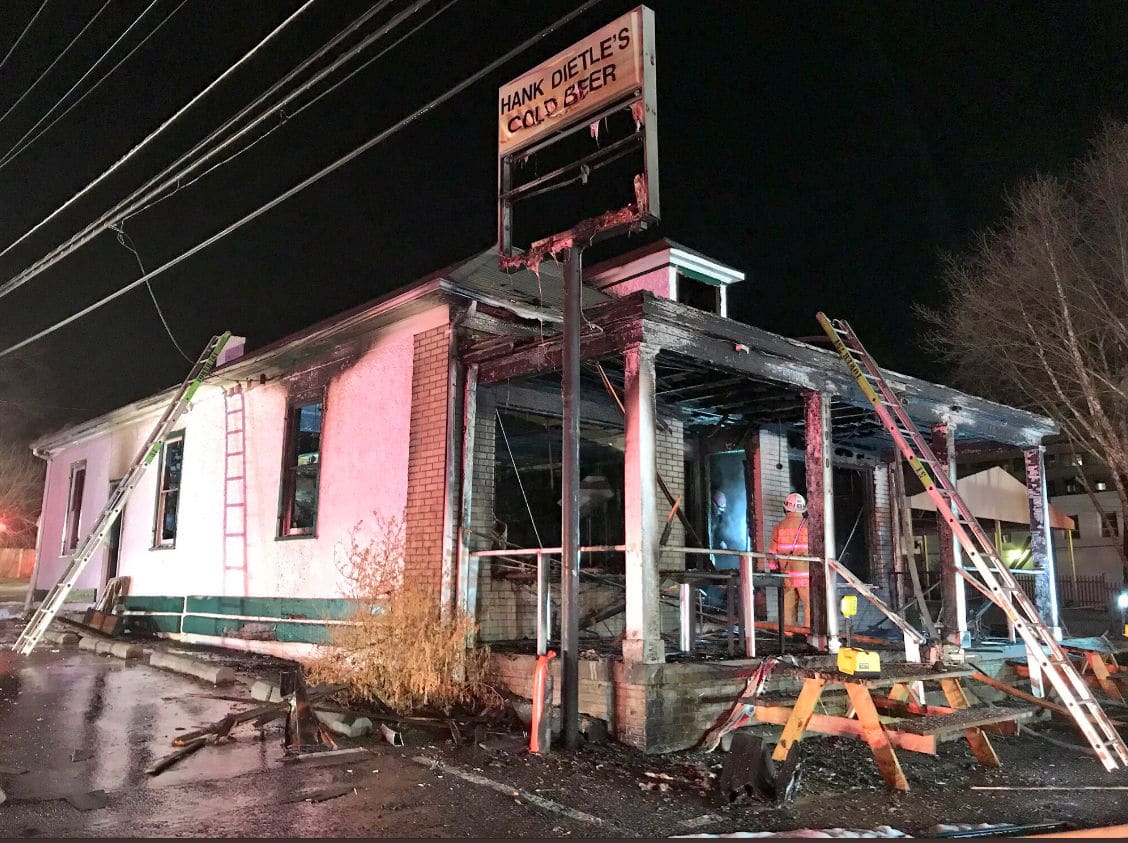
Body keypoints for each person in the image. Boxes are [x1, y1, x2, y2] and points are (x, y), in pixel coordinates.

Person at [768, 492, 810, 628]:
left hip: (786, 573)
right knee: (810, 606)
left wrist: (774, 569)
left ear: (786, 508)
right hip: (805, 574)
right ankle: (810, 636)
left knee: (788, 607)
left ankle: (789, 636)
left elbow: (772, 553)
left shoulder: (778, 527)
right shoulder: (808, 526)